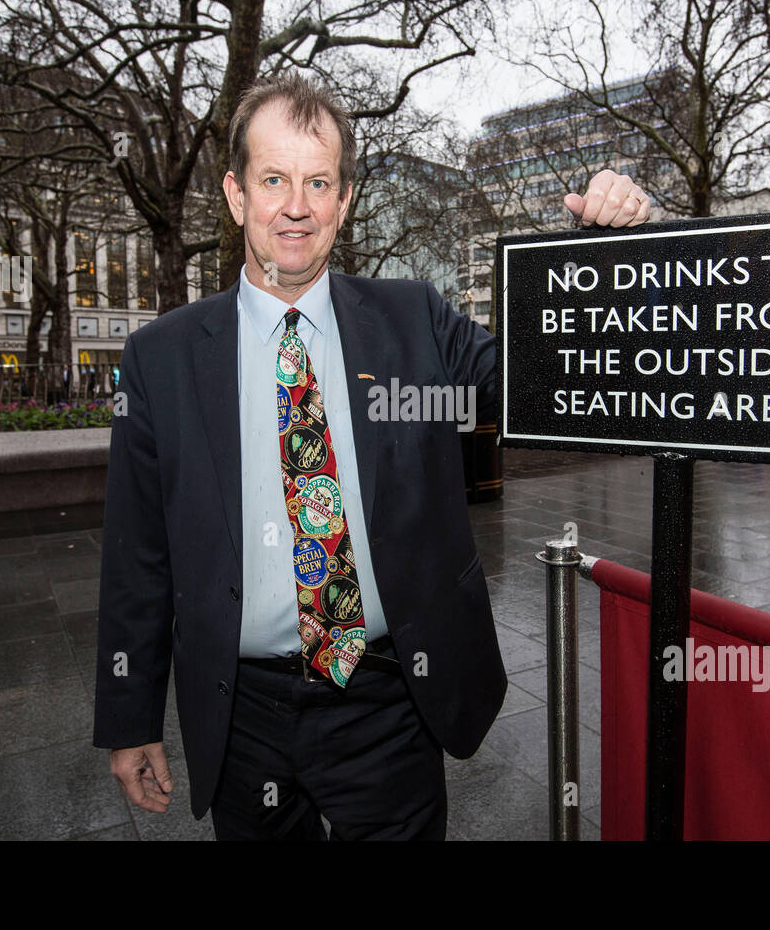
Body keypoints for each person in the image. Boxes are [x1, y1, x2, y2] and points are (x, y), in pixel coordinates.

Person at [92, 73, 651, 840]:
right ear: (234, 193)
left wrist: (603, 258)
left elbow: (539, 385)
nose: (297, 205)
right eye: (275, 179)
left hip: (390, 699)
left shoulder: (414, 320)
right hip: (240, 714)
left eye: (319, 181)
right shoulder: (162, 359)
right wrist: (129, 717)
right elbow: (138, 557)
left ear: (345, 199)